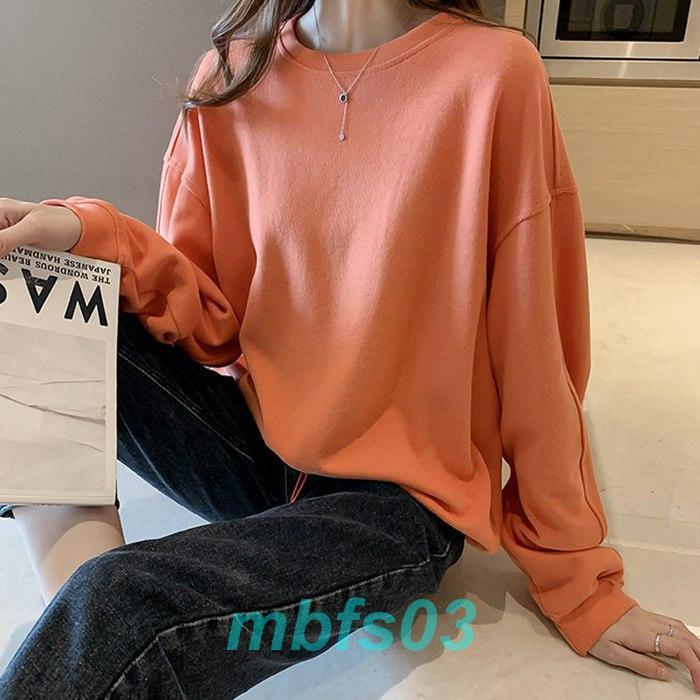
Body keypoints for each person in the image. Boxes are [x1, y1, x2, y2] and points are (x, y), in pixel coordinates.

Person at [0, 1, 698, 697]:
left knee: (124, 603)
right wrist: (86, 233)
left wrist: (581, 583)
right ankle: (84, 633)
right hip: (258, 452)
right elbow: (209, 321)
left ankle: (94, 634)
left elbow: (536, 351)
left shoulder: (493, 75)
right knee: (32, 287)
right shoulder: (232, 75)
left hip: (398, 505)